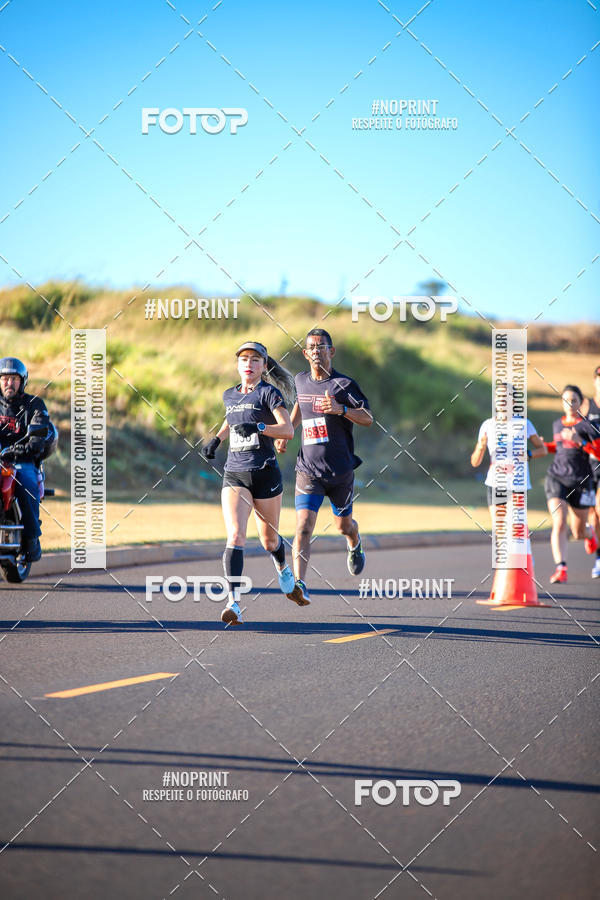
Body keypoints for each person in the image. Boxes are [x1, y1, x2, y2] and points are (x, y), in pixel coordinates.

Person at [277, 329, 373, 604]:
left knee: (343, 525)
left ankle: (354, 542)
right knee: (303, 527)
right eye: (311, 347)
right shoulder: (301, 380)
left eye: (322, 347)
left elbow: (367, 417)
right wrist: (287, 432)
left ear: (331, 351)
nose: (316, 351)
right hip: (308, 470)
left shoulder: (343, 385)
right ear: (305, 353)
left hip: (340, 471)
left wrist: (340, 410)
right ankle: (301, 584)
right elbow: (299, 407)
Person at [203, 341, 296, 625]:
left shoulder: (269, 393)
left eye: (255, 359)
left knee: (269, 540)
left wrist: (260, 428)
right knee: (236, 537)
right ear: (238, 365)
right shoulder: (229, 395)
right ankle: (233, 603)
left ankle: (282, 566)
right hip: (235, 473)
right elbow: (232, 419)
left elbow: (288, 430)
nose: (249, 364)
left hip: (265, 472)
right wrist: (217, 439)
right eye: (244, 359)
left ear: (264, 366)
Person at [0, 357, 57, 562]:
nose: (9, 383)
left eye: (13, 379)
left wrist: (31, 443)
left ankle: (32, 540)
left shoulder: (34, 404)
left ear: (22, 381)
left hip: (20, 459)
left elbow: (39, 429)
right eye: (5, 378)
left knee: (23, 480)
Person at [470, 385, 547, 534]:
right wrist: (481, 447)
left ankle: (520, 556)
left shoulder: (525, 424)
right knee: (499, 529)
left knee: (515, 528)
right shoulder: (487, 425)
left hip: (518, 483)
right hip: (495, 482)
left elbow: (542, 449)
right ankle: (502, 558)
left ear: (513, 401)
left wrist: (529, 455)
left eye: (506, 396)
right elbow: (475, 462)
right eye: (498, 396)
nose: (501, 399)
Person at [543, 385, 600, 584]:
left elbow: (598, 453)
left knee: (578, 532)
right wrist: (544, 446)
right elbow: (559, 448)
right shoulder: (557, 424)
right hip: (557, 477)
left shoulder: (588, 426)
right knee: (559, 521)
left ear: (580, 403)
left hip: (581, 481)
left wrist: (580, 442)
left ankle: (590, 533)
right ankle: (561, 568)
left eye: (573, 400)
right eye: (565, 400)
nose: (569, 404)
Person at [581, 365, 600, 578]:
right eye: (598, 378)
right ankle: (599, 557)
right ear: (594, 381)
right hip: (589, 465)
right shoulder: (587, 405)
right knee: (593, 515)